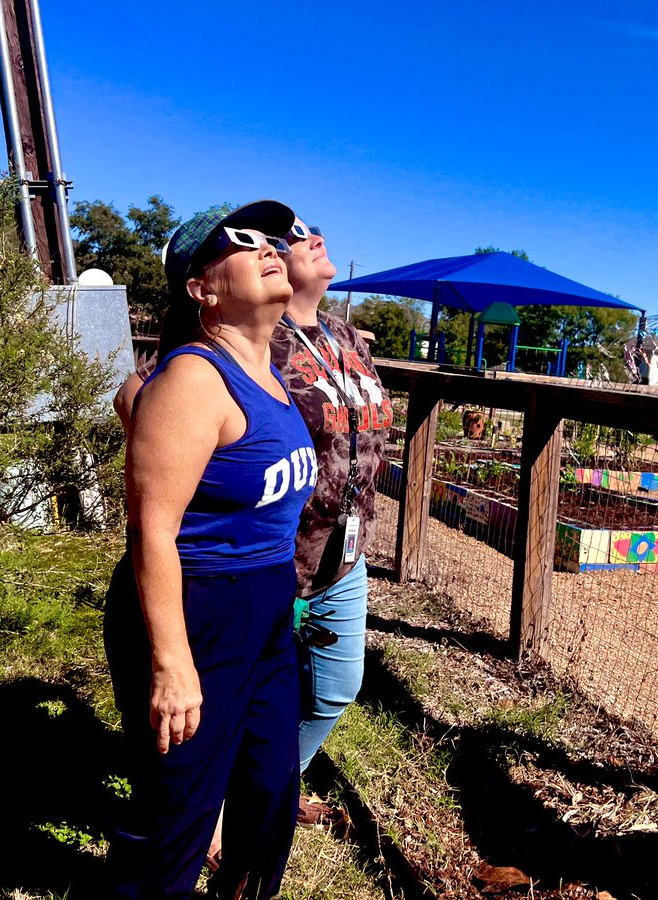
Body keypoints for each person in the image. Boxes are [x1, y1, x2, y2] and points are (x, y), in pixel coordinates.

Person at [102, 200, 316, 899]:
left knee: (268, 794)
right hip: (196, 607)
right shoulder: (196, 379)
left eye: (274, 239)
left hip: (263, 609)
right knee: (177, 818)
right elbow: (151, 529)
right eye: (243, 242)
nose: (270, 248)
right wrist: (171, 663)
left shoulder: (269, 378)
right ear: (202, 288)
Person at [270, 214, 390, 822]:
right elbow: (140, 392)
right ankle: (213, 811)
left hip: (344, 559)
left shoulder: (346, 338)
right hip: (274, 558)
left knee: (336, 689)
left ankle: (268, 790)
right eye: (295, 236)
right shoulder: (252, 335)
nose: (315, 237)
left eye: (314, 229)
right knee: (237, 696)